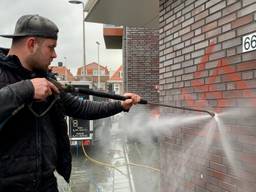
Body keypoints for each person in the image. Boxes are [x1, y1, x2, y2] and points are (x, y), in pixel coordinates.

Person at [0, 14, 141, 192]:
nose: (54, 54)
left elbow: (80, 107)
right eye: (51, 47)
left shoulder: (46, 79)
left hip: (46, 184)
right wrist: (26, 89)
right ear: (31, 44)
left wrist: (120, 105)